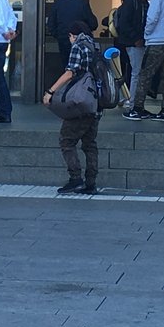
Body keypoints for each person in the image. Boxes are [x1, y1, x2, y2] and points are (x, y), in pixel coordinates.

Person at [43, 18, 103, 195]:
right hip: (95, 103)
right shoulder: (95, 45)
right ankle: (90, 182)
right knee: (90, 143)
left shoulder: (78, 46)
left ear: (72, 35)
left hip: (80, 102)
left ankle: (75, 178)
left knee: (66, 140)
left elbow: (70, 72)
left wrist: (51, 91)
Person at [50, 0, 97, 80]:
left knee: (66, 68)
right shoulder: (83, 4)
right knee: (81, 71)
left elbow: (51, 24)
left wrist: (59, 35)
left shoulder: (58, 3)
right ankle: (78, 90)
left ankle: (66, 89)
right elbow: (93, 24)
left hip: (63, 40)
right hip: (80, 41)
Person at [112, 0, 146, 93]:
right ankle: (130, 96)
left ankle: (123, 94)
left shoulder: (119, 10)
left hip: (119, 42)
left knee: (122, 70)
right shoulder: (137, 6)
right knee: (134, 71)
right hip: (132, 42)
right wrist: (136, 38)